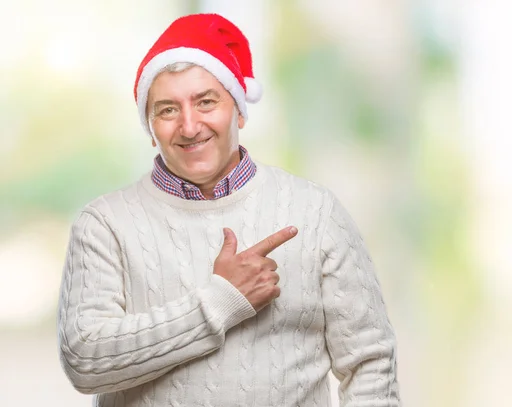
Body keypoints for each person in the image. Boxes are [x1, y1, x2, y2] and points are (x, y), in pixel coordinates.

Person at [57, 13, 400, 407]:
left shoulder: (316, 212)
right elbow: (84, 361)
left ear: (238, 110)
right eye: (167, 110)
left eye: (206, 102)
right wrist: (221, 302)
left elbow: (371, 363)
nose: (189, 126)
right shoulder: (104, 225)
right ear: (150, 128)